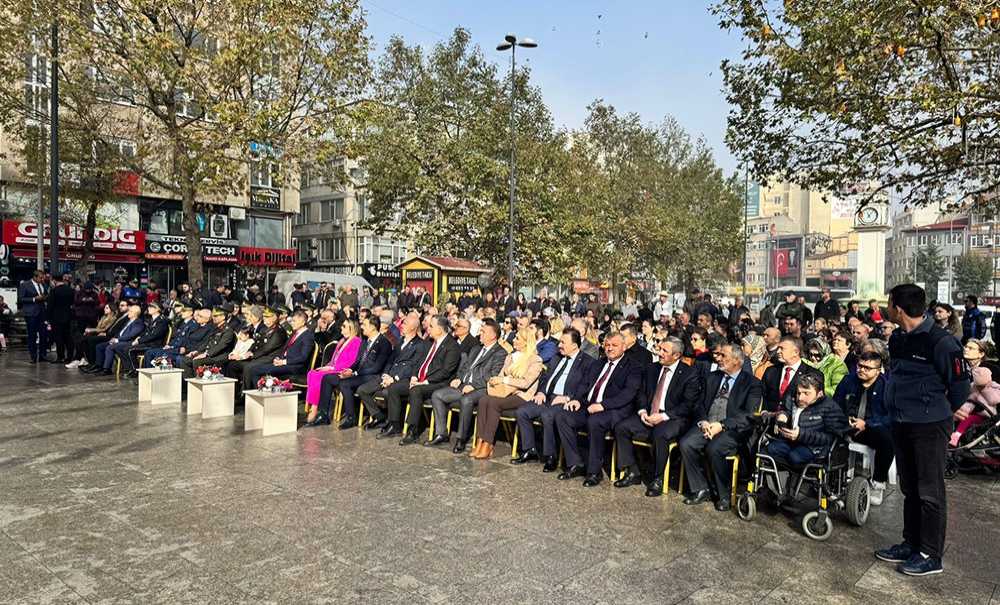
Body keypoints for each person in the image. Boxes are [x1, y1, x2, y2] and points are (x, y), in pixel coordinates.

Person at [875, 284, 970, 577]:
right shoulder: (899, 338)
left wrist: (936, 411)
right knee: (910, 488)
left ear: (897, 308)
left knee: (930, 491)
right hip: (901, 422)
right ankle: (911, 543)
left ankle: (930, 554)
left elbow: (960, 387)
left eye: (888, 303)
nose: (886, 308)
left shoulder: (941, 342)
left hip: (929, 426)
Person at [613, 337, 702, 496]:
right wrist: (642, 411)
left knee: (660, 434)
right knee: (621, 427)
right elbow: (641, 393)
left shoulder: (690, 374)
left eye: (664, 351)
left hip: (674, 418)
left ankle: (658, 479)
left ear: (676, 355)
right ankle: (632, 471)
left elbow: (688, 405)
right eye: (660, 349)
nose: (659, 353)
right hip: (649, 414)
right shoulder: (651, 368)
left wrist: (663, 416)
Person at [679, 342, 763, 509]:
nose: (718, 358)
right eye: (718, 355)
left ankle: (723, 494)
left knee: (715, 448)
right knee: (686, 443)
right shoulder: (712, 377)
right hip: (707, 424)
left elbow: (748, 415)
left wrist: (722, 425)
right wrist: (703, 421)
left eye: (723, 355)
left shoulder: (752, 383)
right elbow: (699, 404)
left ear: (736, 360)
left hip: (733, 429)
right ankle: (701, 488)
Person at [554, 332, 643, 487]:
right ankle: (576, 463)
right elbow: (585, 384)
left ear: (624, 347)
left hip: (614, 409)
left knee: (595, 422)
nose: (610, 348)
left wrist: (603, 405)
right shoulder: (598, 363)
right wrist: (577, 400)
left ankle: (594, 472)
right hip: (590, 405)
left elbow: (628, 394)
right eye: (607, 345)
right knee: (563, 416)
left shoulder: (634, 366)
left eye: (614, 345)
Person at [512, 327, 597, 469]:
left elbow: (586, 386)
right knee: (522, 412)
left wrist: (568, 398)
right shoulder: (557, 357)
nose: (559, 345)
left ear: (574, 345)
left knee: (547, 415)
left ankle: (551, 456)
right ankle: (529, 450)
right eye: (559, 342)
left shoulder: (587, 362)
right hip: (547, 397)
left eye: (563, 343)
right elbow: (545, 378)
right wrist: (541, 392)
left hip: (565, 401)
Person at [427, 319, 507, 452]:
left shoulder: (500, 353)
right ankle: (441, 433)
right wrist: (458, 378)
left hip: (482, 388)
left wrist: (473, 385)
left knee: (466, 400)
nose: (479, 333)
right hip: (464, 385)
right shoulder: (476, 349)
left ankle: (461, 439)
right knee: (437, 395)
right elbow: (464, 367)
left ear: (493, 335)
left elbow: (493, 376)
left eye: (483, 331)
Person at [467, 328, 544, 459]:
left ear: (526, 342)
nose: (513, 340)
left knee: (493, 403)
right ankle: (480, 441)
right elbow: (501, 374)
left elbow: (526, 383)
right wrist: (496, 379)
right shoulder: (510, 357)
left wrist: (504, 380)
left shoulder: (535, 360)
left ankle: (488, 443)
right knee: (484, 400)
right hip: (505, 392)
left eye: (517, 338)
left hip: (521, 395)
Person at [835, 351, 893, 506]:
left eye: (867, 368)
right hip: (846, 425)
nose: (862, 370)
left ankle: (878, 482)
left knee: (887, 439)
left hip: (871, 428)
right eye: (860, 366)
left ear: (877, 370)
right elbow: (835, 404)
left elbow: (890, 416)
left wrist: (867, 423)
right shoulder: (848, 380)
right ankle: (834, 481)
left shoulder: (886, 386)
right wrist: (844, 419)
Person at [397, 316, 462, 444]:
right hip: (421, 380)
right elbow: (419, 362)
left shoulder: (452, 346)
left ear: (440, 329)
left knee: (416, 390)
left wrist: (424, 382)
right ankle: (393, 424)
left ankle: (412, 430)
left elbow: (446, 372)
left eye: (431, 326)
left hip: (439, 383)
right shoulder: (429, 342)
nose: (428, 328)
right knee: (395, 387)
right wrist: (414, 376)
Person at [766, 373, 848, 468]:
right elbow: (786, 410)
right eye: (799, 393)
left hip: (816, 447)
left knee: (795, 457)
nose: (800, 398)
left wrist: (801, 435)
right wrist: (783, 415)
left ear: (819, 394)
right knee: (770, 449)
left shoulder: (829, 407)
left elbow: (831, 438)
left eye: (806, 393)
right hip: (792, 442)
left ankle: (799, 477)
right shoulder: (792, 399)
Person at [361, 314, 424, 431]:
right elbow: (390, 360)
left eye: (405, 323)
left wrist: (394, 378)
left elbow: (412, 365)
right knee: (363, 390)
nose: (401, 325)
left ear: (412, 327)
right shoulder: (400, 341)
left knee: (391, 390)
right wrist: (386, 375)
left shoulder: (420, 344)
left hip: (403, 378)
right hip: (389, 376)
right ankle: (379, 417)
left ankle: (393, 424)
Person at [303, 319, 362, 425]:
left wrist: (331, 368)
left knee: (319, 376)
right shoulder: (342, 341)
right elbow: (334, 359)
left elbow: (351, 362)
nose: (341, 328)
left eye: (344, 326)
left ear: (352, 329)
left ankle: (315, 410)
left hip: (342, 370)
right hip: (334, 368)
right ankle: (313, 407)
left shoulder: (356, 341)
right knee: (312, 373)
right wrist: (327, 366)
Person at [245, 310, 316, 389]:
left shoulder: (307, 336)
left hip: (295, 366)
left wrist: (284, 362)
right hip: (285, 363)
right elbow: (284, 349)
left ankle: (262, 393)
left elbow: (303, 357)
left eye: (294, 321)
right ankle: (262, 392)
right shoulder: (295, 333)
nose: (292, 323)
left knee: (256, 370)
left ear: (303, 322)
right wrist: (278, 358)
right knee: (254, 369)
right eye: (292, 321)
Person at [761, 336, 825, 412]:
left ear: (796, 352)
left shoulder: (813, 374)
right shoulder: (771, 371)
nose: (778, 351)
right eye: (778, 348)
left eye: (782, 348)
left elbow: (817, 404)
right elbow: (762, 396)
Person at [144, 306, 212, 368]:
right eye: (198, 315)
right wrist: (172, 345)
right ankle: (151, 373)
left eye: (200, 316)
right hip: (181, 349)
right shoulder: (196, 326)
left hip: (189, 351)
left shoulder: (207, 329)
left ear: (207, 319)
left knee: (162, 355)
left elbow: (202, 344)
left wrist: (187, 350)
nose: (197, 317)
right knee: (154, 353)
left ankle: (157, 374)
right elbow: (183, 338)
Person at [950, 366, 1000, 446]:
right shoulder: (973, 386)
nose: (980, 388)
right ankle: (952, 433)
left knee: (968, 419)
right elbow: (968, 396)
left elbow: (994, 400)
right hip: (972, 409)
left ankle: (957, 435)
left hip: (987, 415)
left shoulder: (994, 387)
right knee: (959, 415)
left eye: (982, 385)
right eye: (979, 386)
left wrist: (984, 390)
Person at [120, 301, 169, 378]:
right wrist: (139, 338)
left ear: (157, 309)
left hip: (154, 344)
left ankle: (134, 371)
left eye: (151, 307)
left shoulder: (161, 321)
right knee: (125, 348)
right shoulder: (151, 320)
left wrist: (139, 341)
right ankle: (131, 369)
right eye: (149, 306)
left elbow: (154, 335)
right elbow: (145, 332)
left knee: (129, 350)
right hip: (147, 342)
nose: (149, 308)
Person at [93, 304, 145, 375]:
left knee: (110, 347)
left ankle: (106, 369)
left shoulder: (138, 323)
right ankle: (98, 366)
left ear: (135, 313)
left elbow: (131, 335)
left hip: (129, 342)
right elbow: (120, 332)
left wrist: (117, 340)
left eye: (130, 311)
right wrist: (114, 338)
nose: (128, 313)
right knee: (100, 346)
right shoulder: (128, 321)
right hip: (120, 340)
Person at [17, 270, 49, 363]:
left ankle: (43, 355)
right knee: (32, 335)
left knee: (43, 335)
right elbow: (21, 299)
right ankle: (33, 356)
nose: (42, 279)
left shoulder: (44, 285)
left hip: (42, 313)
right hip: (31, 313)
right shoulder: (25, 285)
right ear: (35, 277)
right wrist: (34, 299)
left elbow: (46, 295)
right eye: (40, 278)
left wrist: (45, 297)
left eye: (43, 278)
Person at [47, 273, 76, 364]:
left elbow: (50, 305)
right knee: (68, 337)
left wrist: (48, 318)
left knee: (58, 338)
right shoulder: (70, 290)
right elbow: (73, 302)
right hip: (68, 317)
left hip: (56, 317)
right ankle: (70, 356)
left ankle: (61, 356)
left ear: (54, 280)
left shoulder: (54, 291)